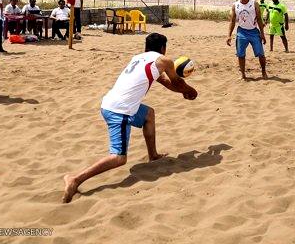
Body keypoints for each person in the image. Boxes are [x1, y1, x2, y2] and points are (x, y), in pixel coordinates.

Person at [61, 33, 198, 203]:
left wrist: (184, 91)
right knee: (119, 158)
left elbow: (165, 82)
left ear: (146, 47)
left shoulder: (139, 58)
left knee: (148, 114)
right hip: (120, 110)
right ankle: (75, 179)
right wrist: (190, 91)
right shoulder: (164, 61)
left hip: (109, 103)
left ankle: (153, 155)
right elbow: (176, 83)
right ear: (163, 48)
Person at [227, 0, 267, 79]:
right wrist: (229, 35)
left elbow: (259, 19)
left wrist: (262, 34)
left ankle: (264, 72)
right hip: (241, 32)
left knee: (260, 54)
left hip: (254, 31)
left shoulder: (254, 4)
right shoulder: (235, 5)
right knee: (240, 54)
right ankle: (243, 75)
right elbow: (232, 21)